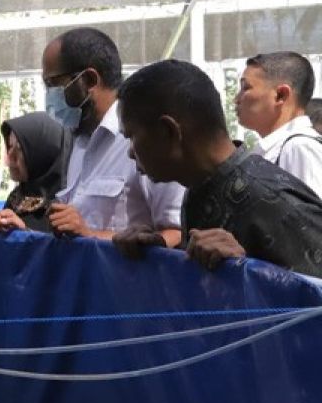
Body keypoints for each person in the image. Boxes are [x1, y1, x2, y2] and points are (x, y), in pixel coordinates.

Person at [113, 59, 322, 277]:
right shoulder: (199, 188)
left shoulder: (275, 201)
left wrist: (246, 269)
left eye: (132, 136)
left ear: (168, 131)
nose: (130, 152)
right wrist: (162, 254)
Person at [41, 27, 183, 247]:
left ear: (88, 79)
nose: (49, 96)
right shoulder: (79, 143)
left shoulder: (146, 138)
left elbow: (177, 234)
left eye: (53, 84)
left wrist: (89, 235)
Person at [235, 52, 322, 199]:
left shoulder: (299, 148)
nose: (236, 99)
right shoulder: (274, 148)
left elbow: (313, 220)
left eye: (246, 87)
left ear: (281, 95)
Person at [0, 112, 70, 234]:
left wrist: (24, 233)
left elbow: (65, 250)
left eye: (19, 150)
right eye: (9, 147)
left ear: (41, 154)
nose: (9, 159)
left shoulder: (66, 202)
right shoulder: (17, 198)